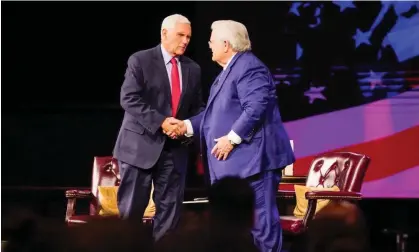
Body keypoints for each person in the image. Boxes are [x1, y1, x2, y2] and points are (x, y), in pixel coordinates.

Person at [175, 20, 295, 252]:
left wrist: (232, 138)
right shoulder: (226, 73)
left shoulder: (249, 67)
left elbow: (257, 106)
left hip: (255, 164)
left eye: (212, 39)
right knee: (239, 232)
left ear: (226, 44)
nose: (208, 44)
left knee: (262, 226)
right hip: (237, 167)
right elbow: (212, 117)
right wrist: (185, 126)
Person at [112, 14, 205, 241]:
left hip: (175, 150)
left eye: (189, 37)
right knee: (131, 214)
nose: (185, 41)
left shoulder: (193, 69)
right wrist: (162, 122)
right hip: (139, 148)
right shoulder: (140, 60)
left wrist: (186, 126)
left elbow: (199, 107)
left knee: (170, 216)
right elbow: (129, 98)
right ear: (164, 33)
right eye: (180, 35)